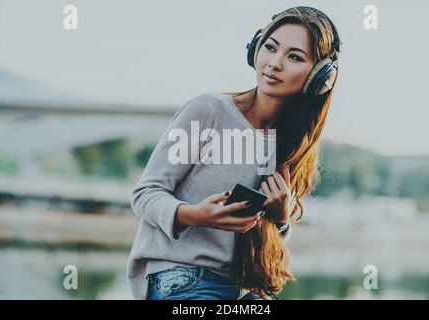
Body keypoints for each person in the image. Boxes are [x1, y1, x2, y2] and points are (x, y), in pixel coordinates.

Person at [127, 6, 342, 300]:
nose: (275, 63)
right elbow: (145, 194)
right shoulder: (207, 111)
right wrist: (193, 215)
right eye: (270, 47)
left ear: (319, 78)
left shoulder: (289, 147)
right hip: (179, 279)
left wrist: (279, 220)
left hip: (232, 289)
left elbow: (268, 242)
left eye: (294, 57)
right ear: (255, 48)